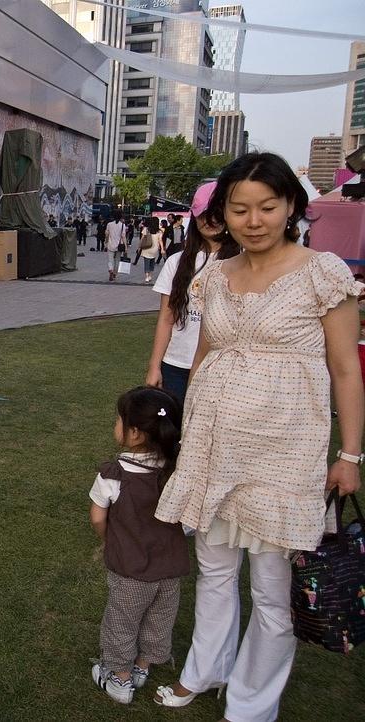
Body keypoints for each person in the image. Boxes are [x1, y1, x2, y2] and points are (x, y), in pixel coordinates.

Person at [153, 152, 364, 721]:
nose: (254, 220)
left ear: (291, 205)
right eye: (239, 208)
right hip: (214, 445)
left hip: (285, 450)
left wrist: (349, 455)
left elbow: (346, 367)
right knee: (216, 572)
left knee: (273, 589)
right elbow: (202, 358)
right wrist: (188, 434)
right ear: (223, 214)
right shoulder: (212, 278)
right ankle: (206, 671)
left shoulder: (323, 273)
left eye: (266, 206)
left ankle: (251, 703)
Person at [90, 386, 187, 705]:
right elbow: (186, 523)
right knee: (160, 618)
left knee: (122, 620)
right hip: (170, 568)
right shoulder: (176, 472)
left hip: (130, 569)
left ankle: (119, 678)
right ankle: (143, 665)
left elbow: (97, 516)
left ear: (134, 433)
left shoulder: (113, 474)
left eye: (118, 419)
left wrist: (108, 538)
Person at [144, 182, 240, 406]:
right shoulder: (176, 262)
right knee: (174, 433)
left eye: (216, 213)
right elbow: (166, 319)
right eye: (202, 214)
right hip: (176, 364)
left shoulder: (242, 262)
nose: (209, 220)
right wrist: (154, 367)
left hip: (221, 366)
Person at [138, 217, 164, 284]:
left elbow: (142, 238)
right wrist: (162, 249)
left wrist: (139, 246)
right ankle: (150, 275)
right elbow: (160, 240)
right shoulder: (159, 231)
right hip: (154, 249)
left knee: (146, 262)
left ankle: (146, 276)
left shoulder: (146, 229)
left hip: (146, 248)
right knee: (152, 262)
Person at [105, 211, 126, 282]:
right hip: (119, 245)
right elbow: (123, 236)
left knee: (110, 260)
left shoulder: (109, 224)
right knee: (117, 260)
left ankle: (110, 269)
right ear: (120, 217)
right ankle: (114, 273)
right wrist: (126, 246)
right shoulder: (122, 225)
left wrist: (106, 242)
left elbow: (107, 234)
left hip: (110, 244)